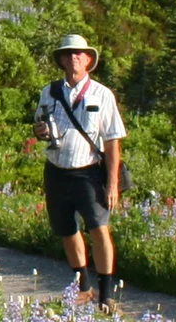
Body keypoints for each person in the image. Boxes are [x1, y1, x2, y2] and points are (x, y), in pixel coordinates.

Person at [27, 34, 126, 307]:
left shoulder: (102, 94)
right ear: (61, 60)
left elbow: (112, 140)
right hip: (57, 169)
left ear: (89, 60)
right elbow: (39, 125)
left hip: (89, 171)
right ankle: (83, 286)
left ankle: (106, 294)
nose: (74, 58)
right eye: (68, 54)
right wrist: (41, 131)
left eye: (79, 54)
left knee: (99, 228)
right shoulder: (49, 91)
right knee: (67, 229)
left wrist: (112, 182)